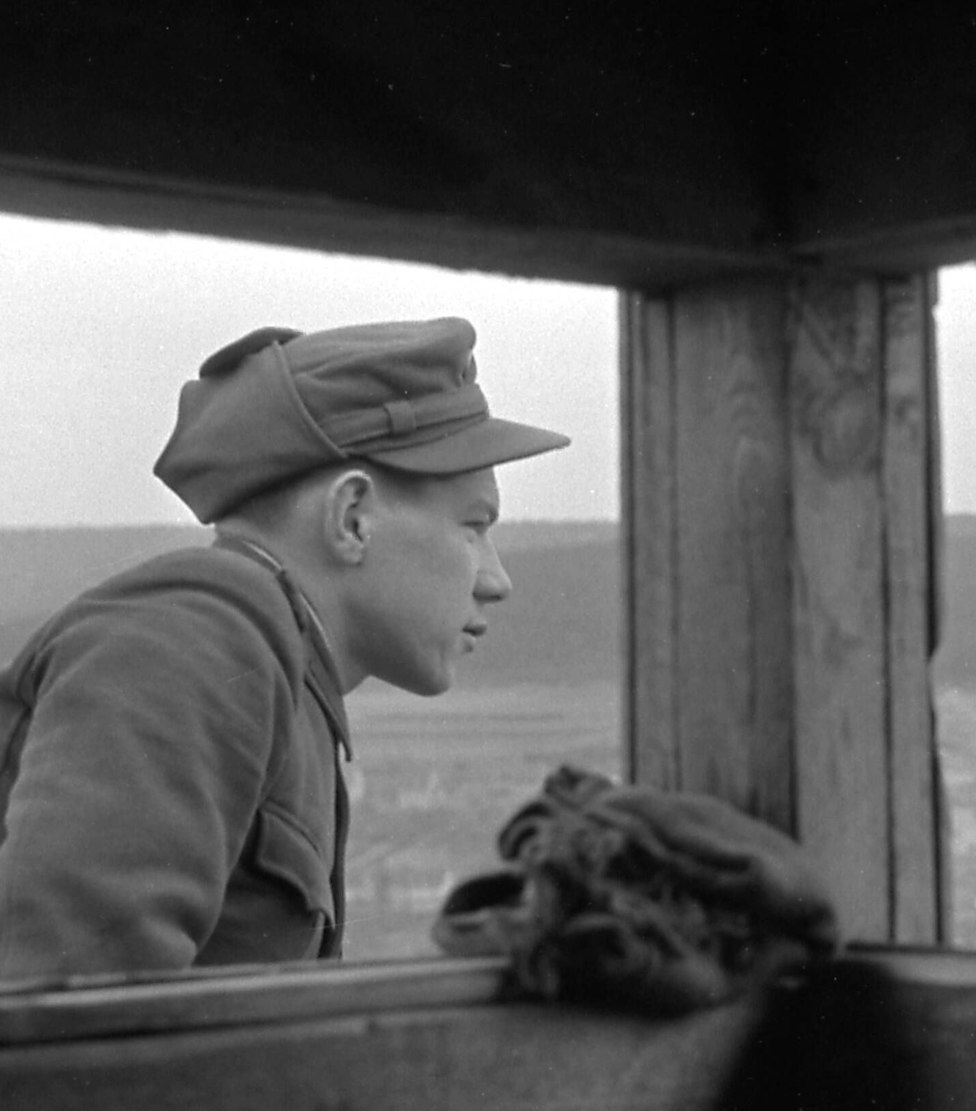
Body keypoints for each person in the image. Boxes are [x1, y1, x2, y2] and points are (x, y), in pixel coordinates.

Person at [0, 317, 569, 980]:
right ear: (351, 517)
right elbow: (63, 1019)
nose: (496, 580)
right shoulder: (197, 637)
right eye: (473, 527)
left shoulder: (284, 672)